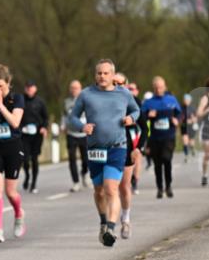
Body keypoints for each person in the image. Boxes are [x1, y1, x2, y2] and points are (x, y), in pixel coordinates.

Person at [67, 59, 140, 247]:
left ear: (113, 75)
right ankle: (102, 221)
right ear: (95, 75)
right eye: (99, 73)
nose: (102, 76)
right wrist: (83, 126)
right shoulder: (86, 95)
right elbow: (72, 117)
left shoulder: (124, 94)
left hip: (118, 147)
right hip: (94, 149)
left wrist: (131, 118)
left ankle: (110, 227)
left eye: (106, 73)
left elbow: (136, 110)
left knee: (111, 188)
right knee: (99, 191)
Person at [0, 65, 26, 243]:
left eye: (0, 86)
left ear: (8, 83)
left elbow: (15, 122)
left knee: (11, 192)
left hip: (13, 147)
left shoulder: (17, 99)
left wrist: (1, 105)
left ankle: (19, 214)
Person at [113, 73, 147, 239]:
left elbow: (145, 129)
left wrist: (139, 148)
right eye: (115, 83)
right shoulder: (103, 101)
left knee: (124, 186)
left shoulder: (133, 102)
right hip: (108, 147)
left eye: (121, 83)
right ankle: (108, 224)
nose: (118, 86)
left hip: (126, 147)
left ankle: (125, 219)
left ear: (126, 85)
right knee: (108, 188)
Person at [141, 76, 181, 199]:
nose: (159, 89)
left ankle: (168, 186)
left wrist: (177, 120)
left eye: (161, 87)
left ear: (165, 87)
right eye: (156, 87)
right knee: (157, 164)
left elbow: (179, 114)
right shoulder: (148, 102)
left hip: (169, 136)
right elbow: (141, 118)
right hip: (154, 138)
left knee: (167, 159)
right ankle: (159, 188)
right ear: (153, 88)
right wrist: (148, 115)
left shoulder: (172, 99)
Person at [20, 80, 49, 194]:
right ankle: (27, 176)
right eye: (27, 87)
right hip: (24, 134)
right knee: (25, 159)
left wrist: (44, 127)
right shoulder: (20, 100)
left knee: (34, 158)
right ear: (25, 89)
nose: (29, 90)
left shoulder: (40, 102)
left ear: (35, 89)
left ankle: (33, 183)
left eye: (31, 87)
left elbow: (45, 118)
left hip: (37, 134)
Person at [62, 79, 90, 192]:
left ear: (81, 89)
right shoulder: (66, 102)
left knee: (86, 159)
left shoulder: (86, 101)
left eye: (76, 88)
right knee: (72, 158)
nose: (74, 90)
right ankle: (76, 182)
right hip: (71, 134)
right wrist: (62, 125)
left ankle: (84, 173)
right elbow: (64, 116)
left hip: (84, 134)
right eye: (72, 88)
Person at [181, 92, 197, 162]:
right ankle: (186, 155)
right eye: (185, 100)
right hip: (184, 127)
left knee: (191, 142)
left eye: (187, 100)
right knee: (185, 141)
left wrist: (193, 120)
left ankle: (192, 148)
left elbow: (196, 118)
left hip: (191, 127)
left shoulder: (192, 108)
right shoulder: (181, 108)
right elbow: (179, 118)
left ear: (190, 100)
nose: (186, 101)